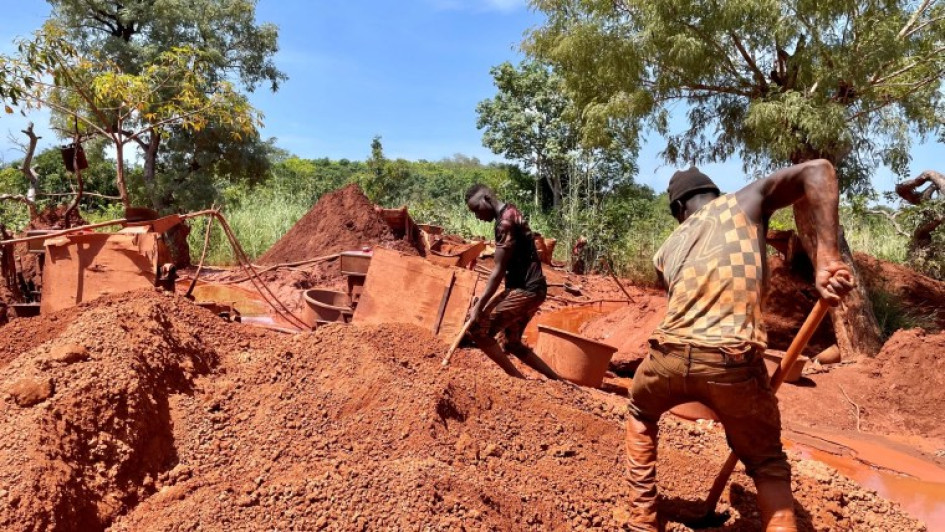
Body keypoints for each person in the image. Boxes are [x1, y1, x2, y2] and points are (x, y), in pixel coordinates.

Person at [625, 161, 855, 531]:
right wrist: (826, 259)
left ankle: (642, 519)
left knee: (640, 413)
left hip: (665, 358)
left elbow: (685, 306)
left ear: (678, 210)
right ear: (713, 195)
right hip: (731, 361)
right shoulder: (744, 203)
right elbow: (820, 169)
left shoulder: (667, 249)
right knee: (767, 463)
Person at [464, 184, 560, 380]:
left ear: (487, 200)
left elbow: (498, 270)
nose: (477, 216)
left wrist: (479, 306)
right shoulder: (510, 211)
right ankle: (558, 381)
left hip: (526, 291)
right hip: (534, 289)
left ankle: (517, 381)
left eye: (476, 209)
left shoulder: (505, 223)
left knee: (478, 331)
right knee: (511, 342)